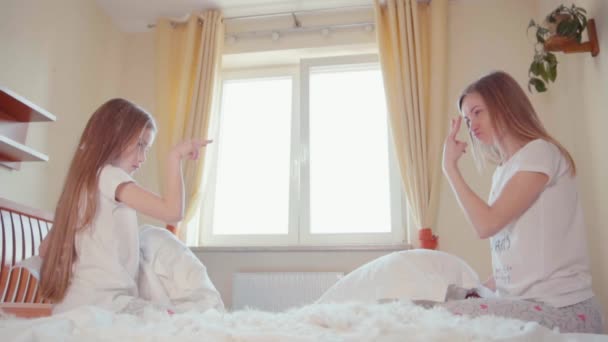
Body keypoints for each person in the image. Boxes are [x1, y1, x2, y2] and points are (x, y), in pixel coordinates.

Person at [440, 71, 603, 333]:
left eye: (478, 112)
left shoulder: (539, 152)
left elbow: (486, 225)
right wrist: (479, 291)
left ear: (503, 105)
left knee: (445, 316)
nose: (472, 125)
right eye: (467, 119)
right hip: (528, 303)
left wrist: (449, 168)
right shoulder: (503, 172)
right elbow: (517, 261)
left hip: (562, 309)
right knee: (447, 299)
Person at [38, 98, 223, 315]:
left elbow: (44, 251)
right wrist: (175, 157)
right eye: (140, 145)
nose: (143, 157)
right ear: (113, 137)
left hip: (74, 304)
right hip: (105, 304)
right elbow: (173, 213)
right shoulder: (108, 175)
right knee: (172, 319)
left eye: (147, 148)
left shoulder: (80, 186)